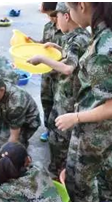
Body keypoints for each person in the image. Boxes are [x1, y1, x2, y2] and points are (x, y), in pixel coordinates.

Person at [54, 3, 112, 202]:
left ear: (82, 5)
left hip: (93, 127)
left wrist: (74, 117)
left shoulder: (102, 49)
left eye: (70, 7)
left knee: (78, 179)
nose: (70, 14)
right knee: (90, 176)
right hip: (107, 128)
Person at [27, 2, 90, 177]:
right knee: (59, 132)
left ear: (66, 16)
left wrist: (42, 59)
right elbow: (75, 59)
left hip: (70, 95)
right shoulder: (81, 35)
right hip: (67, 93)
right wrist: (58, 49)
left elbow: (68, 68)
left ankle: (59, 172)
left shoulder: (77, 39)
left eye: (58, 17)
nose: (56, 21)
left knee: (60, 136)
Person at [39, 2, 65, 142]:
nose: (52, 19)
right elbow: (43, 46)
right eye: (50, 16)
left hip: (60, 75)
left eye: (54, 16)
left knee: (59, 104)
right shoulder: (47, 27)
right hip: (46, 73)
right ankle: (48, 129)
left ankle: (58, 132)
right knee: (46, 101)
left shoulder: (66, 31)